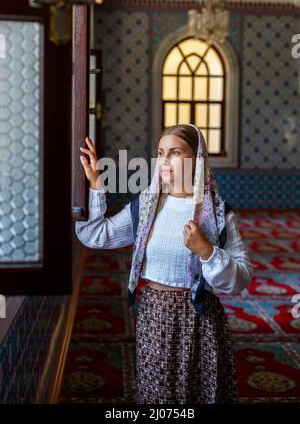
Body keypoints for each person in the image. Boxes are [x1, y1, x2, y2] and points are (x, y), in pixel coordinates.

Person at [75, 124, 253, 404]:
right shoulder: (148, 204)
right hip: (154, 316)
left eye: (175, 152)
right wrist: (96, 182)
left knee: (196, 395)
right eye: (160, 153)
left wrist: (206, 250)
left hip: (199, 321)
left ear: (196, 159)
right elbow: (97, 235)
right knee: (158, 397)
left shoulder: (217, 213)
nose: (164, 161)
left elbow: (240, 279)